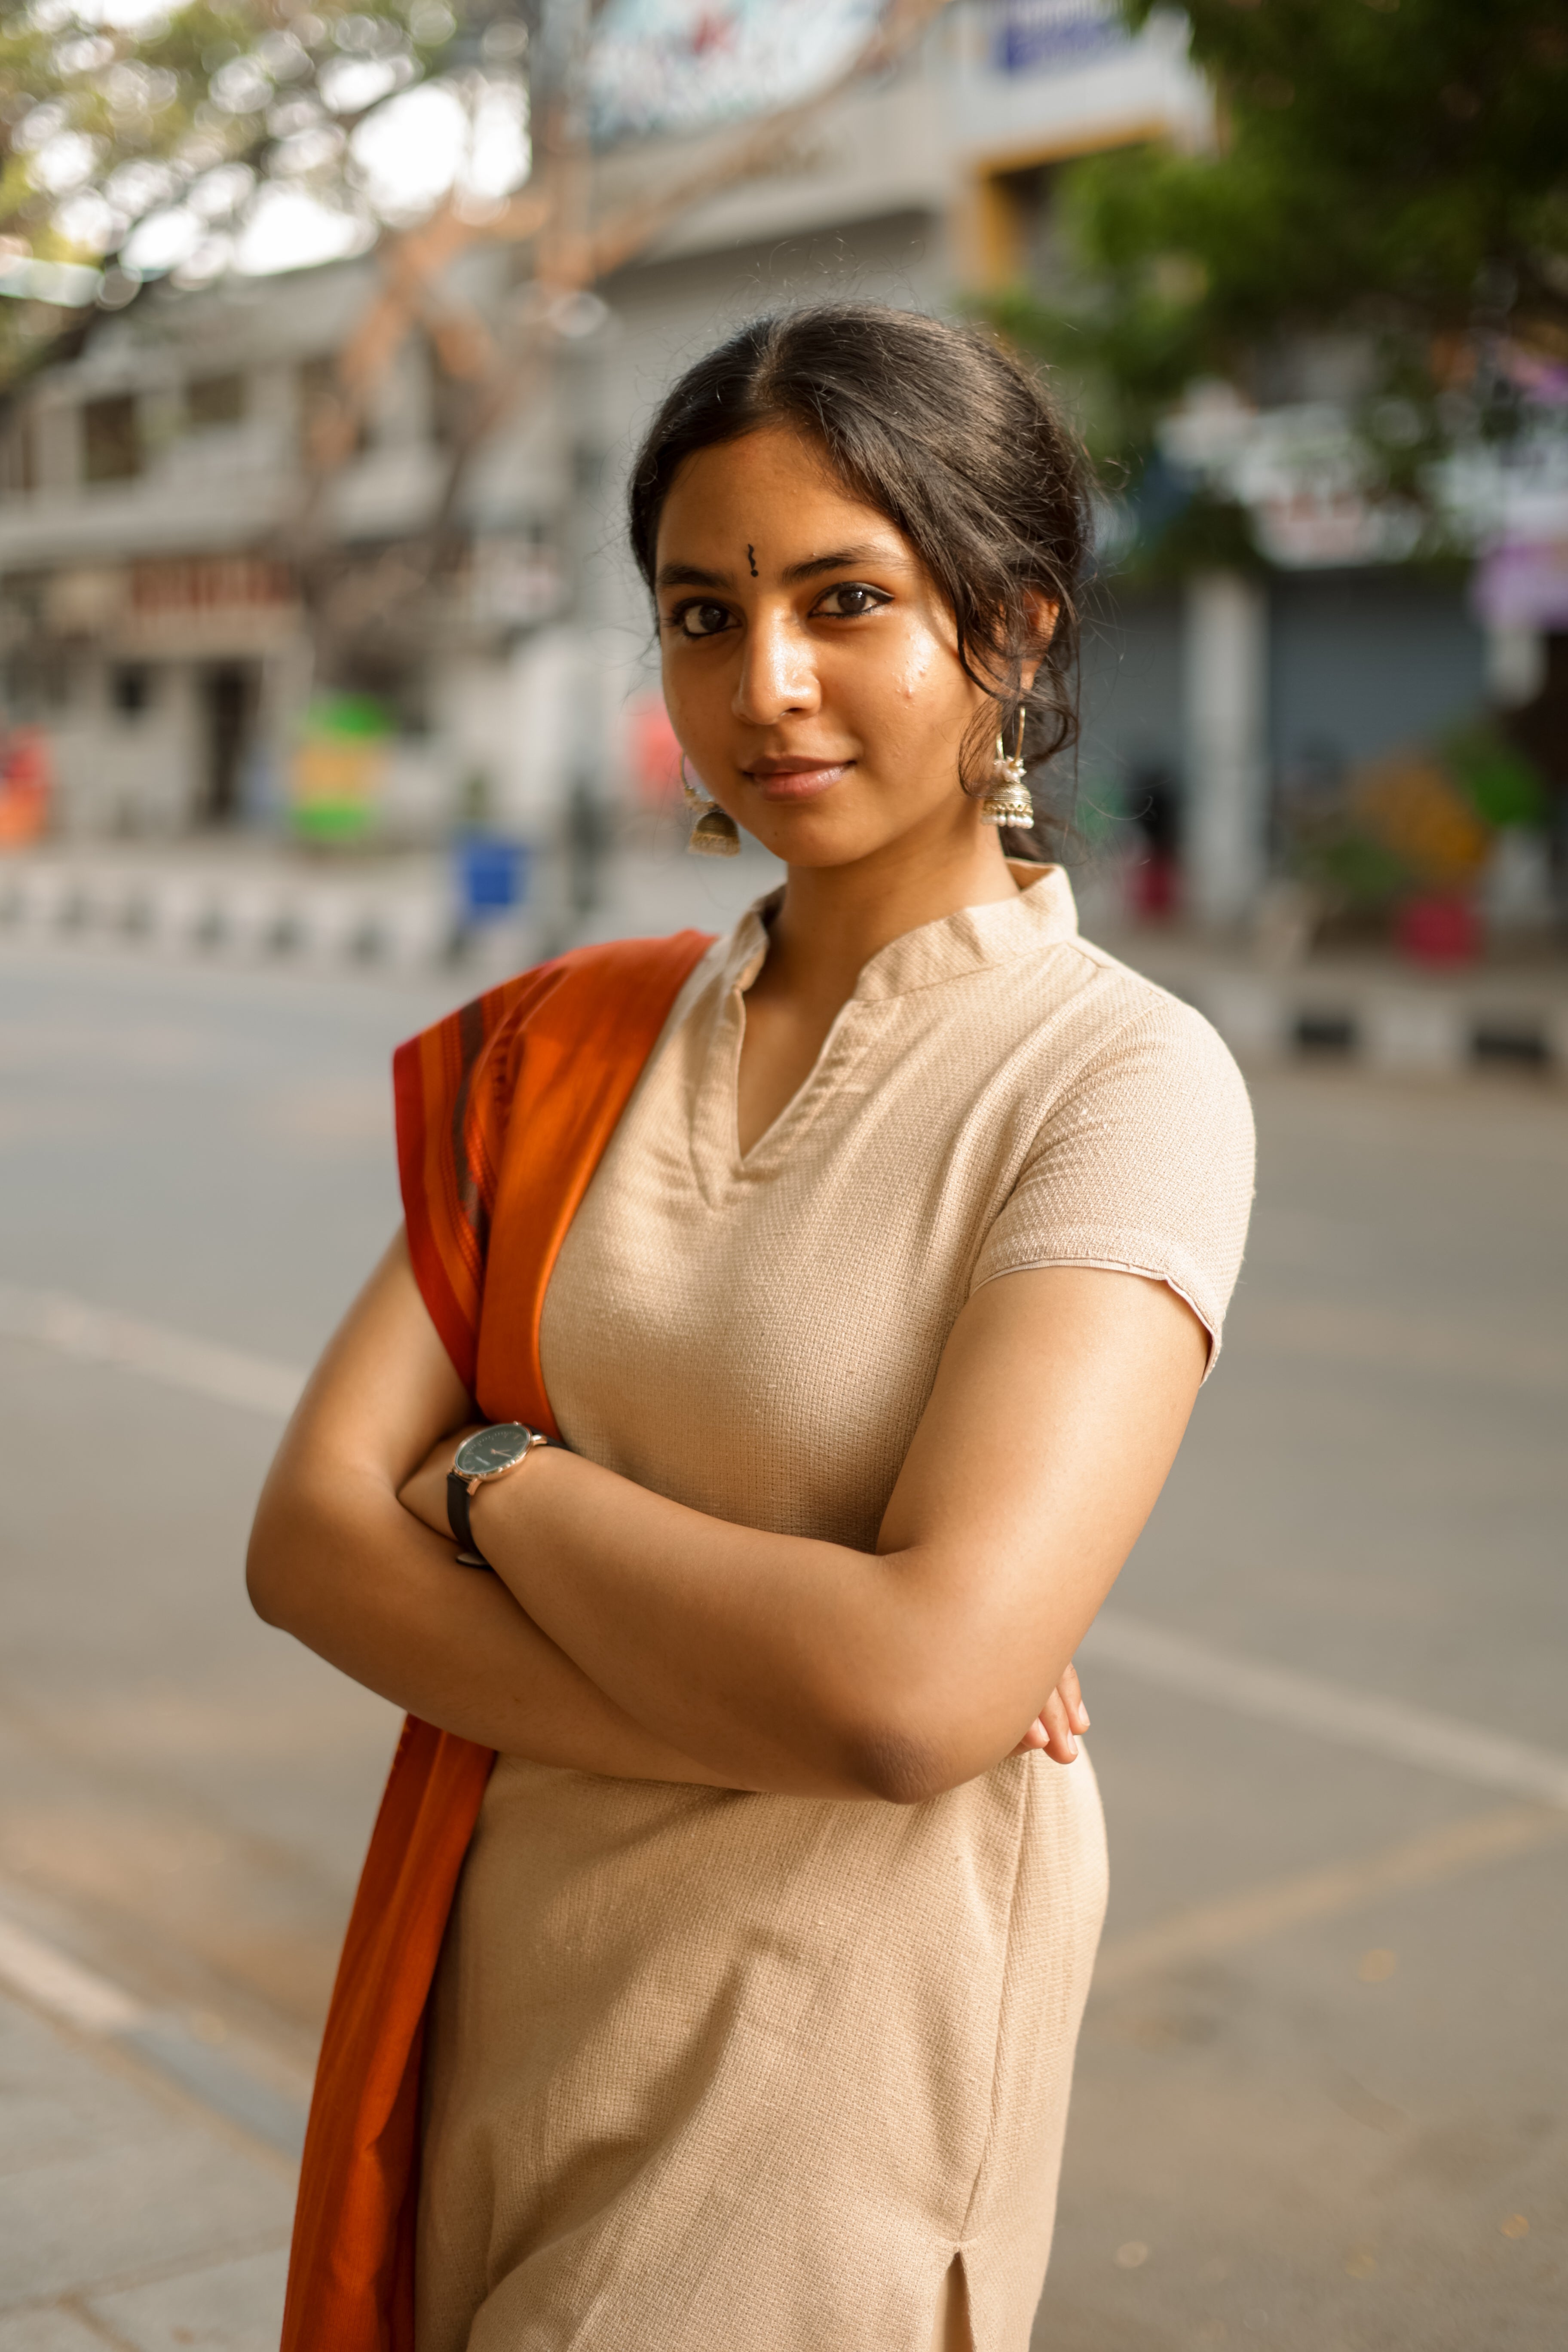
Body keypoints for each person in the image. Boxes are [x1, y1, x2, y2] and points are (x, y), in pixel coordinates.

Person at [249, 303, 1254, 2352]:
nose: (767, 685)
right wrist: (773, 1705)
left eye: (847, 600)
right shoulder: (574, 1047)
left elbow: (909, 1700)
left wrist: (495, 1477)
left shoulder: (1114, 1084)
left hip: (832, 2054)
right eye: (703, 614)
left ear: (1017, 628)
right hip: (508, 1992)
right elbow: (301, 1546)